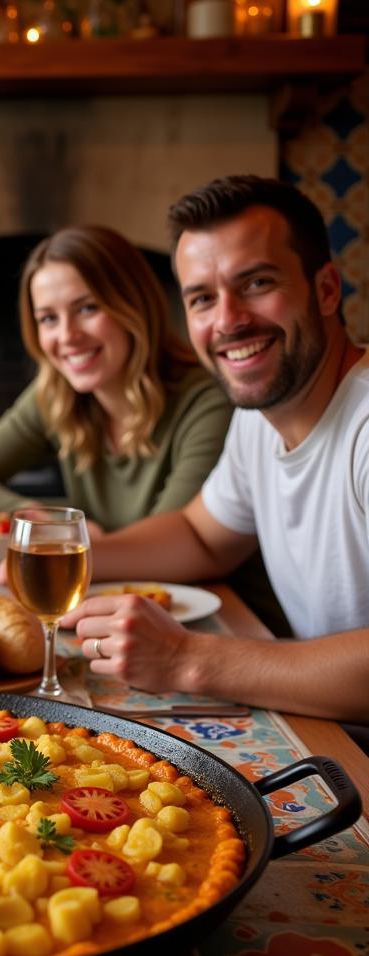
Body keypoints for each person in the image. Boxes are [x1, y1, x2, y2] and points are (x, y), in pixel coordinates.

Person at [63, 175, 368, 725]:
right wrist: (70, 555)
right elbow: (203, 537)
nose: (227, 320)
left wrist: (186, 659)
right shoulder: (259, 417)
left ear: (326, 289)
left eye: (256, 283)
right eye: (203, 298)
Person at [0, 225, 233, 537]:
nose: (67, 336)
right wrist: (38, 520)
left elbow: (167, 543)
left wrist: (47, 531)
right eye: (48, 318)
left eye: (87, 308)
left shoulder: (207, 403)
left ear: (135, 305)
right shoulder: (58, 393)